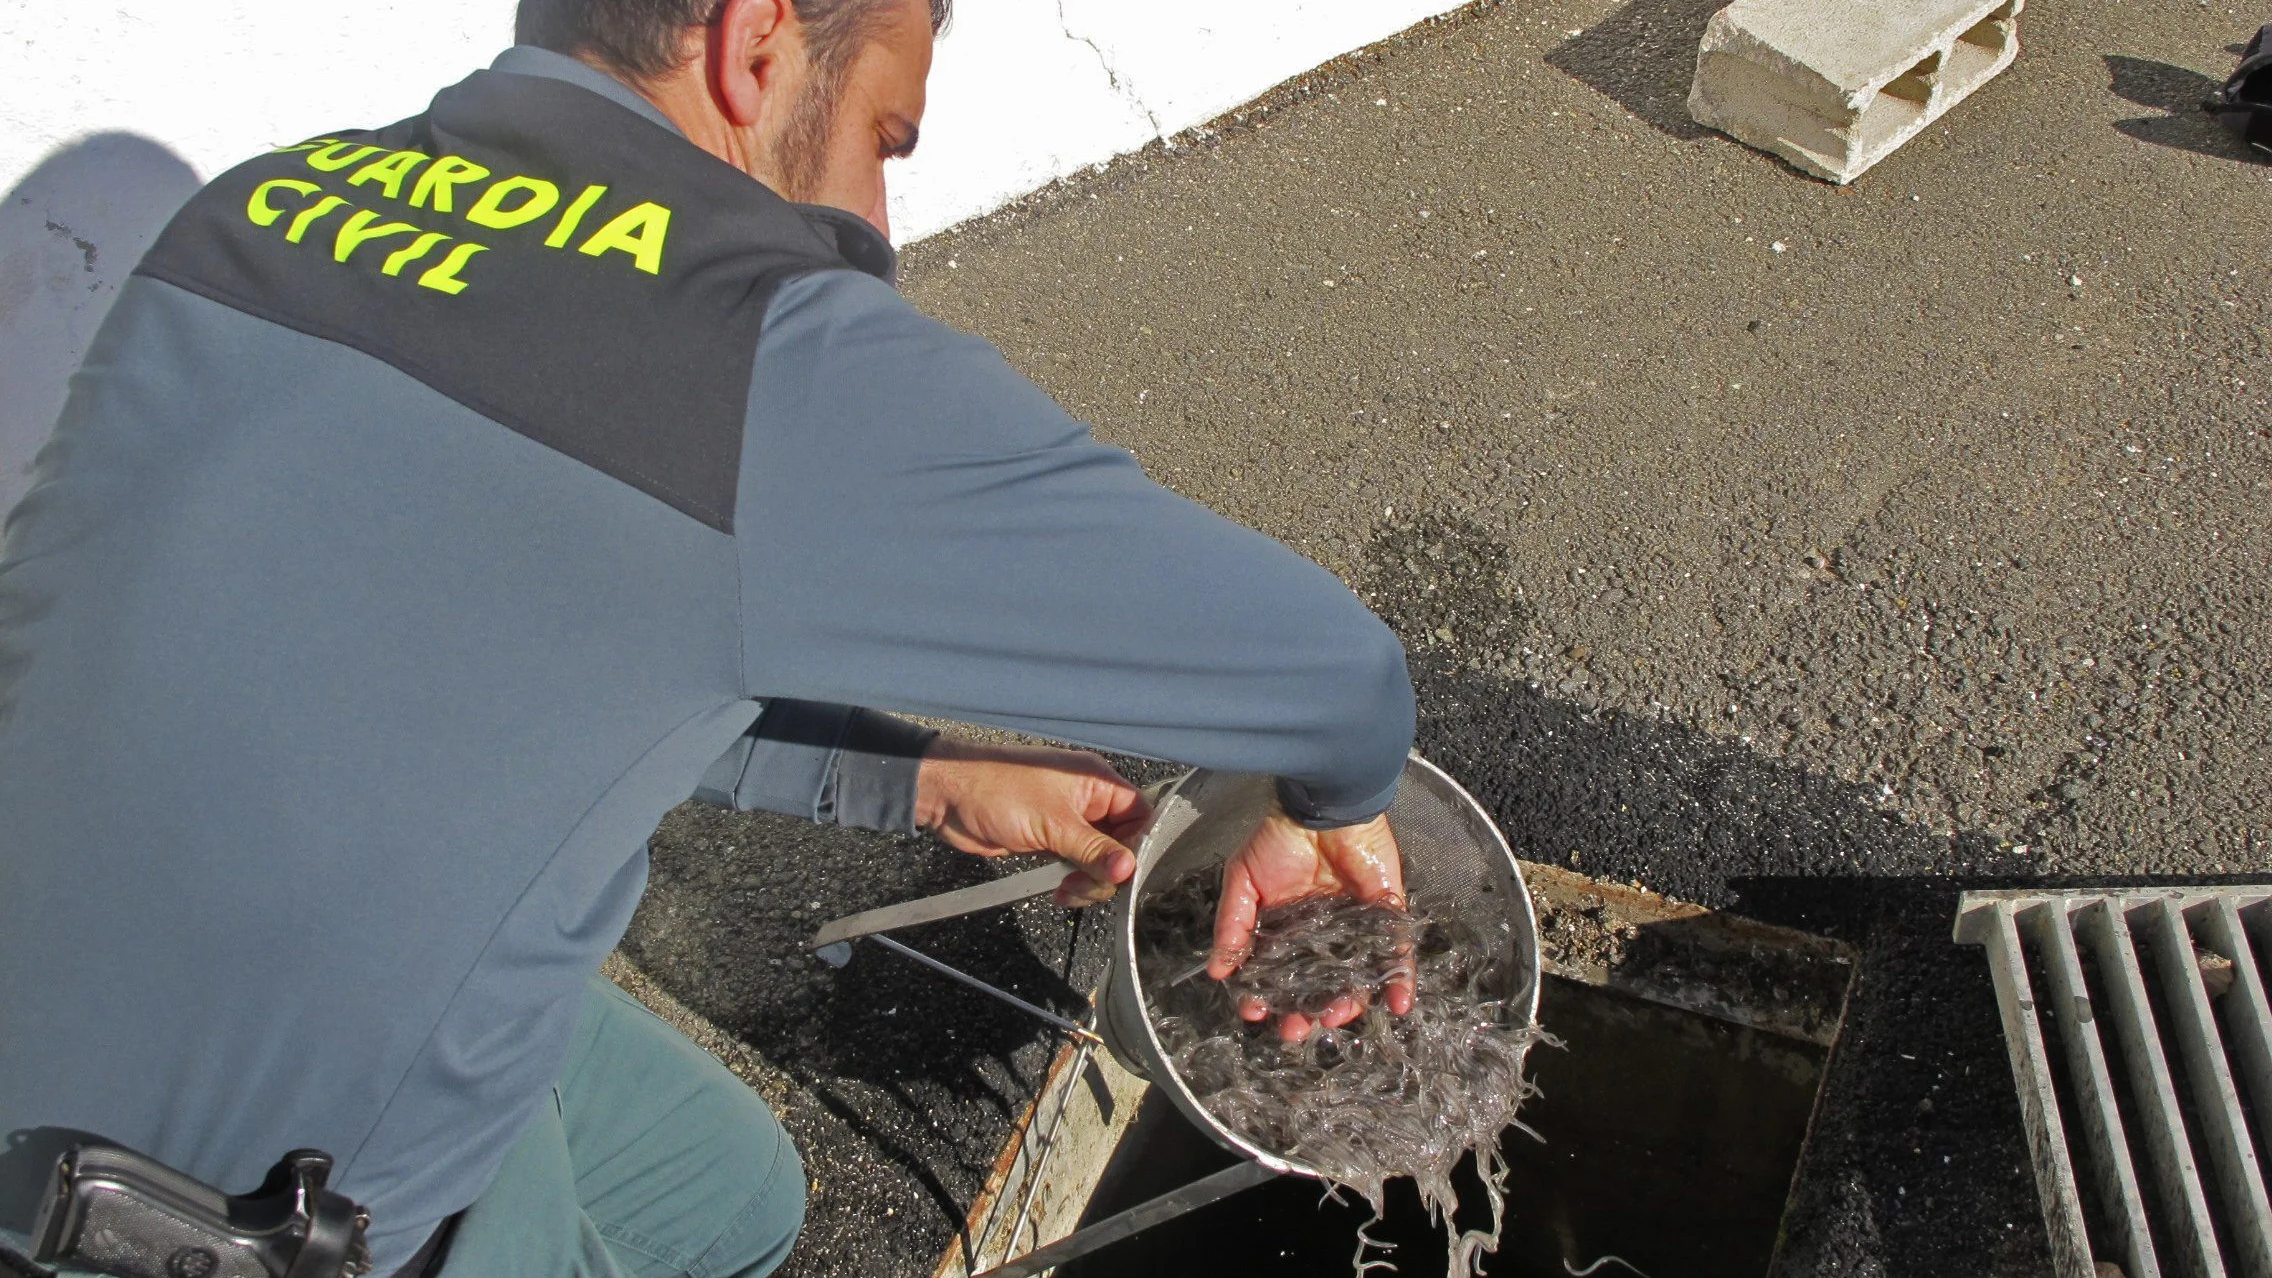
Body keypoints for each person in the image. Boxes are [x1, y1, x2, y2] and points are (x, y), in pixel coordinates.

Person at [0, 0, 1416, 1275]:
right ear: (754, 46)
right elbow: (1332, 682)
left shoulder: (261, 206)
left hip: (180, 994)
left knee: (729, 1190)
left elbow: (532, 655)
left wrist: (919, 778)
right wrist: (1322, 813)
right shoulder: (758, 349)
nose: (877, 211)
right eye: (884, 133)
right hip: (210, 1221)